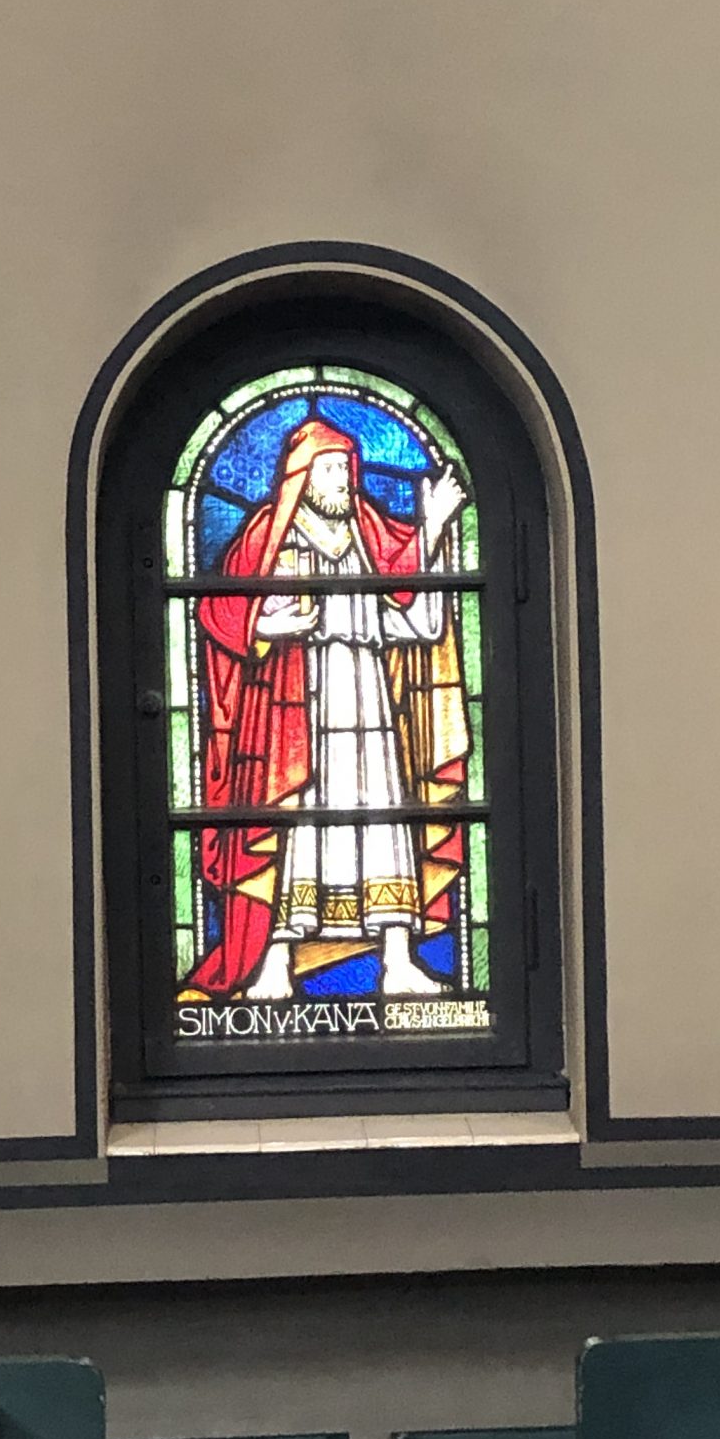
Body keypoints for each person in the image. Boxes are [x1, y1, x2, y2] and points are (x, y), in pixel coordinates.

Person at [185, 416, 470, 1003]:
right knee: (293, 827)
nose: (345, 479)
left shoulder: (369, 533)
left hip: (368, 699)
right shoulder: (270, 533)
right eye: (332, 468)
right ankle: (275, 965)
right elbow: (216, 611)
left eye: (346, 467)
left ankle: (397, 960)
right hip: (292, 709)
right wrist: (263, 627)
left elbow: (412, 618)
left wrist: (434, 528)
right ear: (303, 475)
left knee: (384, 815)